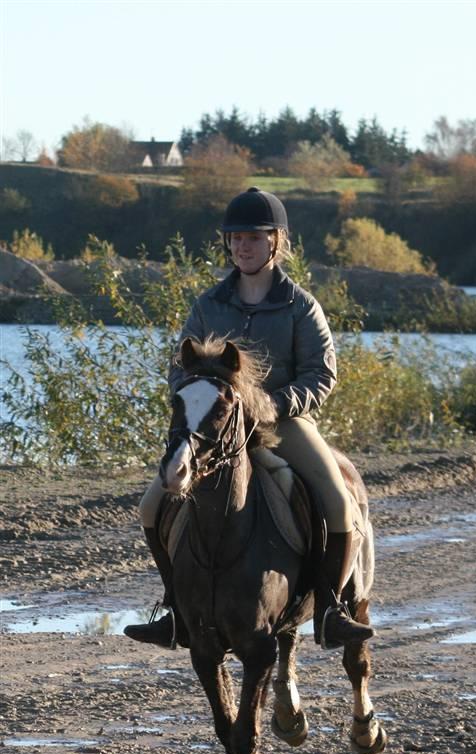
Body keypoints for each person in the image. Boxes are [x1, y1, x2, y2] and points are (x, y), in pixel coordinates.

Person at [124, 187, 375, 651]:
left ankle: (330, 610)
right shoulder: (208, 305)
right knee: (149, 506)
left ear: (276, 242)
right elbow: (180, 366)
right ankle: (175, 610)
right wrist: (195, 400)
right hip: (216, 428)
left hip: (283, 424)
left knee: (339, 506)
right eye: (236, 238)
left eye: (254, 238)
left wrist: (272, 406)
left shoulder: (301, 306)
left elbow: (322, 375)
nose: (242, 246)